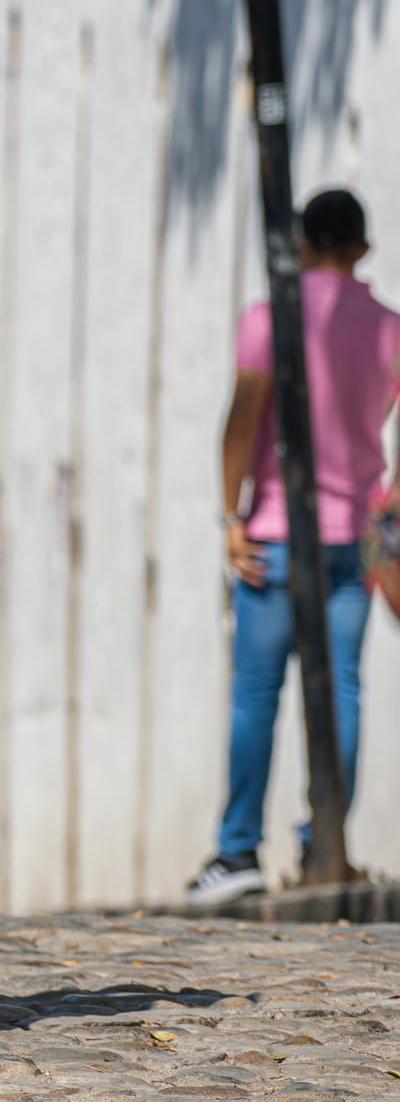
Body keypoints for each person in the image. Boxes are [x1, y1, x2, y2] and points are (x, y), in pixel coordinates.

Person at [188, 188, 400, 905]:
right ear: (362, 249)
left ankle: (239, 850)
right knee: (341, 688)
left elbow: (244, 418)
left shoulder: (268, 315)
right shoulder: (389, 329)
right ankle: (325, 846)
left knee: (256, 694)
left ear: (303, 242)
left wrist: (230, 517)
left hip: (277, 533)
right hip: (355, 543)